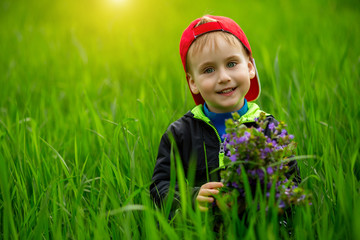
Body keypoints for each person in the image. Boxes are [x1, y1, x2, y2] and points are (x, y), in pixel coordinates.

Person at [150, 15, 300, 215]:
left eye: (231, 64)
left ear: (249, 67)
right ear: (192, 82)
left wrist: (268, 199)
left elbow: (292, 183)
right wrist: (192, 198)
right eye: (208, 69)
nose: (223, 77)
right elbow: (160, 186)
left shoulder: (267, 128)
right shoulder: (181, 133)